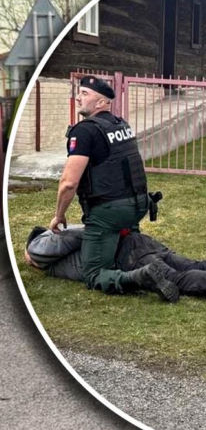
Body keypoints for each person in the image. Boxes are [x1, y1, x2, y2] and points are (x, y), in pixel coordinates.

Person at [53, 75, 174, 299]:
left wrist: (59, 215)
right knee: (127, 253)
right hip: (138, 206)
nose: (78, 98)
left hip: (109, 213)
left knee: (93, 274)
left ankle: (140, 277)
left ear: (101, 103)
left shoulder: (85, 131)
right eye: (79, 93)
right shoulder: (121, 125)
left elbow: (69, 183)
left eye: (84, 94)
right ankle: (151, 263)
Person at [25, 225, 206, 313]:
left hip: (129, 255)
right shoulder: (59, 267)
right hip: (137, 244)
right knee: (193, 265)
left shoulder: (44, 246)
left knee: (179, 279)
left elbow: (50, 247)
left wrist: (31, 250)